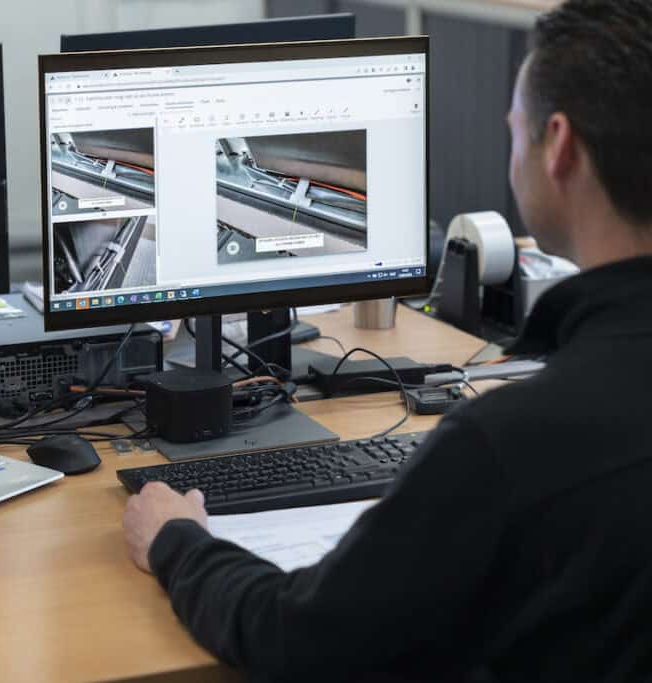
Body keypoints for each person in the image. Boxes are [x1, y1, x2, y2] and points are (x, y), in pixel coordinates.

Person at [122, 1, 652, 680]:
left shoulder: (507, 442)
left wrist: (177, 540)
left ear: (560, 145)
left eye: (513, 131)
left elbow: (299, 637)